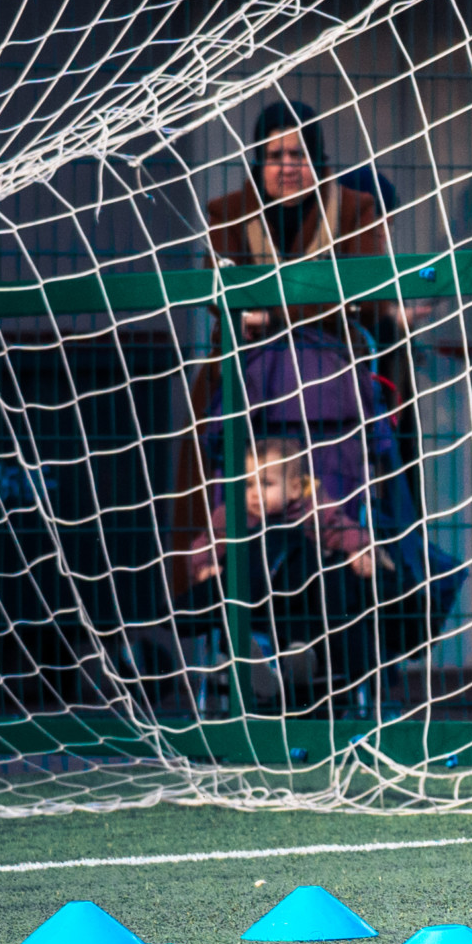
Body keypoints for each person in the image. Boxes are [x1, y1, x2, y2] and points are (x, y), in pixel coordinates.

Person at [172, 100, 407, 601]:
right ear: (257, 161)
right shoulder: (228, 212)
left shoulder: (353, 208)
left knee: (332, 509)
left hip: (331, 394)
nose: (286, 166)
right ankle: (228, 617)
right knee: (229, 502)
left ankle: (336, 620)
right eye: (274, 155)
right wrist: (255, 310)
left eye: (298, 154)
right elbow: (222, 296)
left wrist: (269, 311)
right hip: (247, 392)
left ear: (317, 159)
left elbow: (362, 293)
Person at [178, 436, 396, 714]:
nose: (255, 493)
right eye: (248, 484)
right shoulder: (232, 515)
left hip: (296, 608)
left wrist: (360, 550)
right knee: (230, 591)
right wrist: (205, 566)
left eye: (266, 484)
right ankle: (263, 663)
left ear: (295, 488)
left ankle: (297, 662)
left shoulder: (312, 509)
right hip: (251, 606)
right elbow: (205, 544)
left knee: (316, 568)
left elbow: (342, 528)